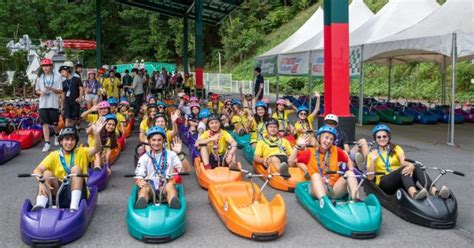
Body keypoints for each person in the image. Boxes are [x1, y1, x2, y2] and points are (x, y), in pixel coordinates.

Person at [31, 119, 105, 211]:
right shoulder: (54, 155)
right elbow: (37, 170)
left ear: (76, 141)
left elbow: (97, 149)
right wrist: (41, 181)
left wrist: (96, 134)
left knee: (76, 169)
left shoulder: (82, 151)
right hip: (59, 192)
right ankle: (40, 205)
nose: (69, 143)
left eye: (72, 139)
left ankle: (74, 207)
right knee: (46, 174)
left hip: (79, 192)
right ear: (61, 141)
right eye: (66, 139)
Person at [365, 124, 450, 200]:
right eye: (379, 137)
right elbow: (370, 178)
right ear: (375, 139)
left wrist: (411, 165)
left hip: (399, 177)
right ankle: (414, 194)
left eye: (384, 136)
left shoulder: (396, 148)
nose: (382, 139)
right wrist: (372, 160)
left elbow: (402, 162)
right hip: (384, 182)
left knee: (415, 166)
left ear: (388, 137)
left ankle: (435, 191)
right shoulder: (372, 154)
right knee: (404, 170)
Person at [134, 126, 190, 209]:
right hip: (150, 186)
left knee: (170, 186)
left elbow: (186, 170)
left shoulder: (171, 154)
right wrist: (139, 181)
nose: (156, 143)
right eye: (153, 140)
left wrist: (179, 153)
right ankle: (142, 204)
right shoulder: (144, 157)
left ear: (163, 140)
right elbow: (138, 176)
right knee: (144, 189)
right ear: (149, 141)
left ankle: (173, 203)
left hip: (165, 185)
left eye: (159, 140)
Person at [296, 126, 358, 200]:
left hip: (334, 187)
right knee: (315, 175)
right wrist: (305, 169)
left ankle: (355, 199)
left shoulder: (335, 150)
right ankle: (324, 201)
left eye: (331, 139)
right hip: (317, 187)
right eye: (326, 137)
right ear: (319, 138)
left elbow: (347, 158)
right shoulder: (309, 152)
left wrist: (351, 169)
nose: (328, 141)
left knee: (350, 174)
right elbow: (295, 162)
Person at [35, 58, 63, 152]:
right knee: (45, 124)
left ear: (51, 66)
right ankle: (47, 143)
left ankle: (57, 135)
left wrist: (51, 89)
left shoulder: (58, 77)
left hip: (53, 103)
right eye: (43, 66)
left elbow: (60, 90)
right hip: (43, 104)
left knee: (55, 124)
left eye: (47, 66)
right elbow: (37, 90)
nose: (45, 68)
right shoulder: (40, 77)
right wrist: (40, 93)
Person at [60, 61, 84, 128]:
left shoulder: (77, 79)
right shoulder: (64, 82)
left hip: (75, 101)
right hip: (67, 102)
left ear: (68, 70)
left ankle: (76, 125)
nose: (62, 74)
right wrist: (62, 105)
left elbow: (81, 88)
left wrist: (80, 97)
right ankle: (68, 131)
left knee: (75, 119)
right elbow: (63, 94)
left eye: (63, 72)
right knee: (67, 117)